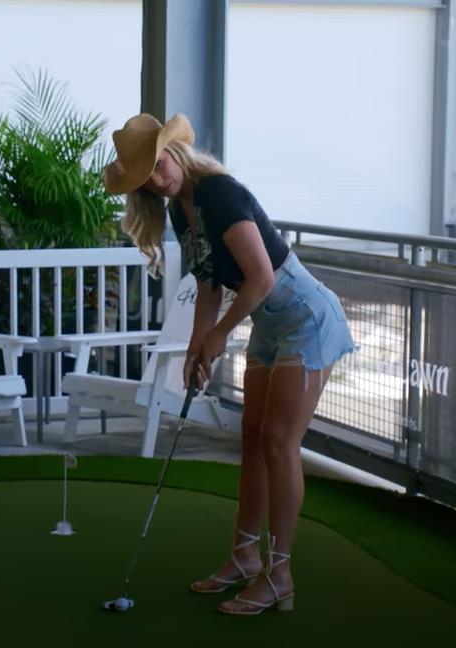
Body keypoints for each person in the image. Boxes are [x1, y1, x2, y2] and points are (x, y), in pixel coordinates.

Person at [103, 113, 355, 615]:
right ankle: (242, 557)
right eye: (145, 176)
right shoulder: (182, 210)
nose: (157, 178)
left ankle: (279, 573)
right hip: (267, 322)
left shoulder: (219, 193)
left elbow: (260, 277)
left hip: (304, 317)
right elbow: (209, 285)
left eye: (158, 165)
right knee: (253, 439)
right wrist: (199, 348)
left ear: (173, 152)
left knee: (280, 444)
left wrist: (219, 336)